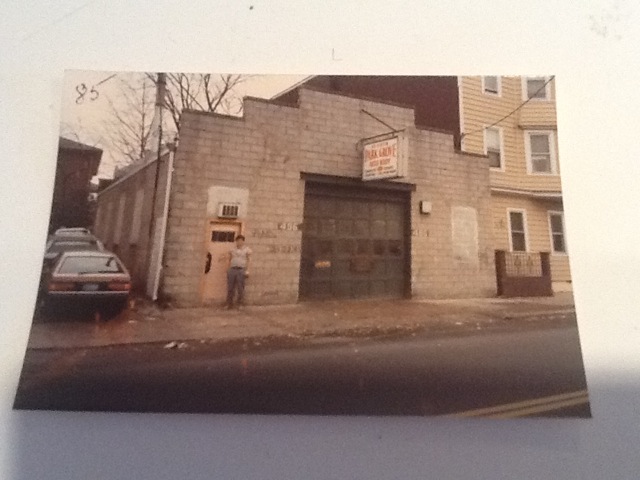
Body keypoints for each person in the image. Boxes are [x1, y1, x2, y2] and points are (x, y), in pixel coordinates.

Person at [225, 235, 251, 309]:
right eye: (238, 240)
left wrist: (248, 270)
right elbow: (229, 259)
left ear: (243, 241)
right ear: (236, 241)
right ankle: (229, 304)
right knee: (230, 288)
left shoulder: (247, 250)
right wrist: (228, 269)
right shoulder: (232, 250)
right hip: (232, 269)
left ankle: (240, 304)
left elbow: (249, 260)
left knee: (240, 288)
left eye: (241, 240)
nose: (239, 242)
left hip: (241, 270)